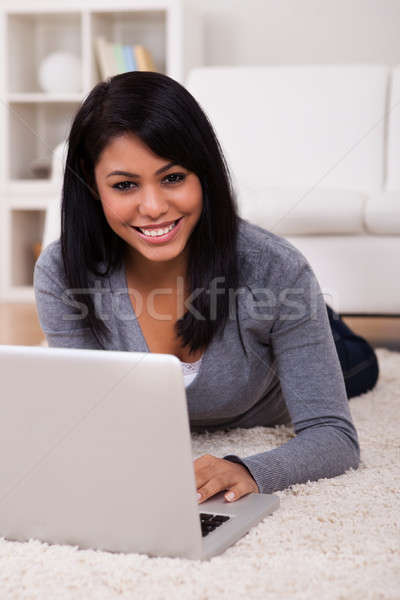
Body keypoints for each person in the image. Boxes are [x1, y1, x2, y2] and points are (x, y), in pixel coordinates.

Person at [34, 71, 379, 505]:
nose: (154, 207)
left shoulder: (277, 269)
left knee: (362, 363)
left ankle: (333, 327)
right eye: (125, 185)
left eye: (173, 177)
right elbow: (85, 417)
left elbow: (335, 437)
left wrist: (250, 469)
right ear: (90, 181)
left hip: (280, 369)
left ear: (203, 173)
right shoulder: (61, 272)